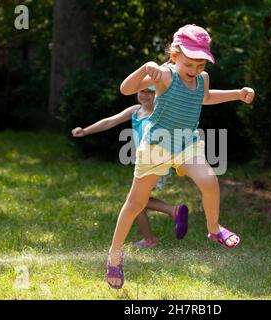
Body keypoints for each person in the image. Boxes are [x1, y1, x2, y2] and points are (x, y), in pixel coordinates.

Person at [107, 24, 255, 289]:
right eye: (190, 64)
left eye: (201, 65)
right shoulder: (164, 75)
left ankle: (214, 229)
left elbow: (205, 98)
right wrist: (145, 68)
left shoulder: (202, 79)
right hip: (157, 147)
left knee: (210, 181)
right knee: (135, 204)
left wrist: (237, 94)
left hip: (186, 144)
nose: (195, 71)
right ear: (174, 56)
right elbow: (125, 89)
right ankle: (115, 255)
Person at [71, 86, 189, 249]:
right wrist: (85, 131)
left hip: (157, 161)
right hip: (145, 162)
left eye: (150, 92)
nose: (145, 95)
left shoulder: (160, 112)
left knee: (133, 201)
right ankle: (155, 232)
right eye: (142, 91)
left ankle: (168, 216)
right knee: (137, 201)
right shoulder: (135, 111)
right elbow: (110, 121)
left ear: (159, 95)